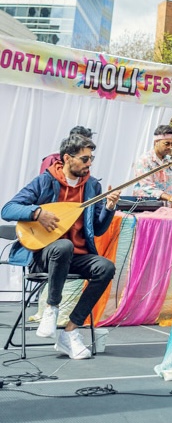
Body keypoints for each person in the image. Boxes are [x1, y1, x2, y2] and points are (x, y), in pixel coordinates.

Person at [1, 132, 120, 360]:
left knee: (106, 267)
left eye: (91, 159)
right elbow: (7, 209)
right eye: (84, 159)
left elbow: (98, 228)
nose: (89, 164)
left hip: (77, 256)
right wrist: (37, 213)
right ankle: (51, 308)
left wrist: (109, 208)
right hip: (45, 255)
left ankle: (70, 332)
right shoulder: (45, 181)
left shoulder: (92, 186)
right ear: (67, 158)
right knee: (63, 246)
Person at [131, 124, 172, 204]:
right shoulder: (144, 160)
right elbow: (147, 188)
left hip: (164, 208)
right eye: (167, 143)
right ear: (156, 142)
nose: (170, 147)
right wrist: (169, 197)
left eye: (171, 144)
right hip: (145, 207)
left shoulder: (170, 161)